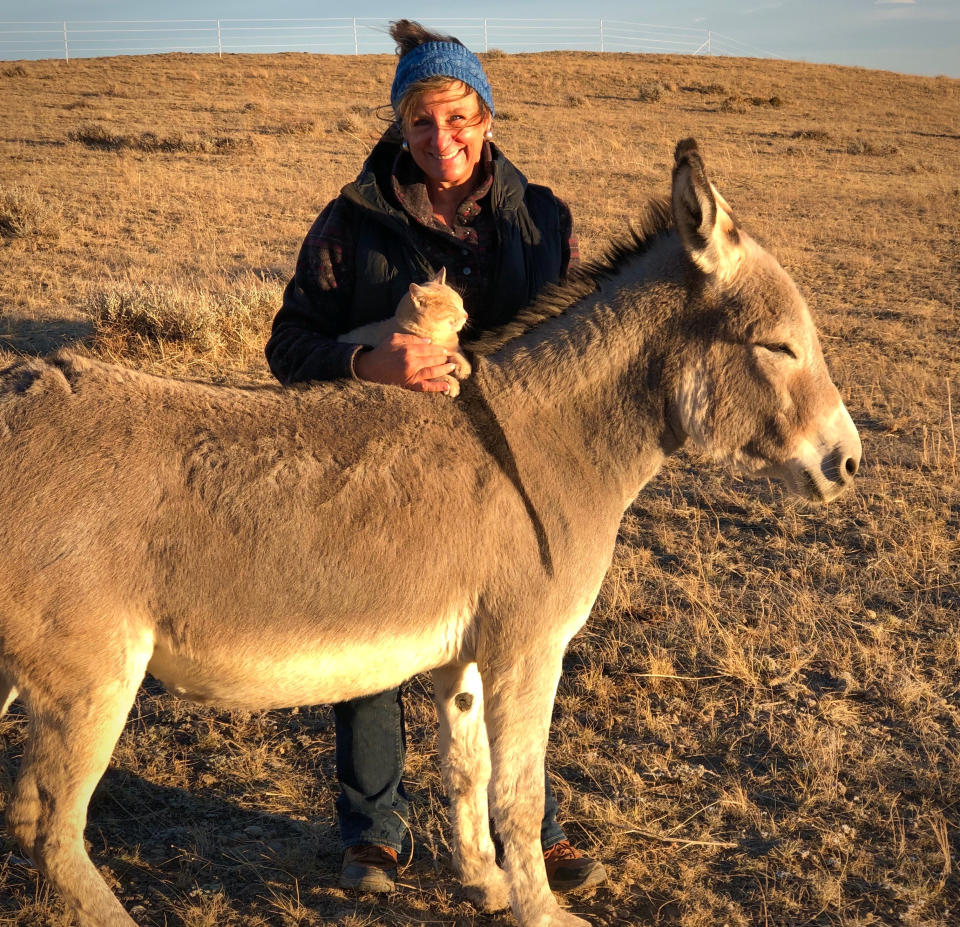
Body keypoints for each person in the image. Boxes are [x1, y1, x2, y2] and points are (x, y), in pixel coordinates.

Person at [265, 19, 606, 898]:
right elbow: (289, 341)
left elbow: (577, 351)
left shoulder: (544, 220)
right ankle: (375, 830)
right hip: (379, 473)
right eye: (421, 124)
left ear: (487, 115)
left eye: (457, 119)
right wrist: (370, 363)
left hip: (510, 477)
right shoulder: (353, 223)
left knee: (522, 650)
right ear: (399, 128)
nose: (441, 141)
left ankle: (533, 827)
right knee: (371, 643)